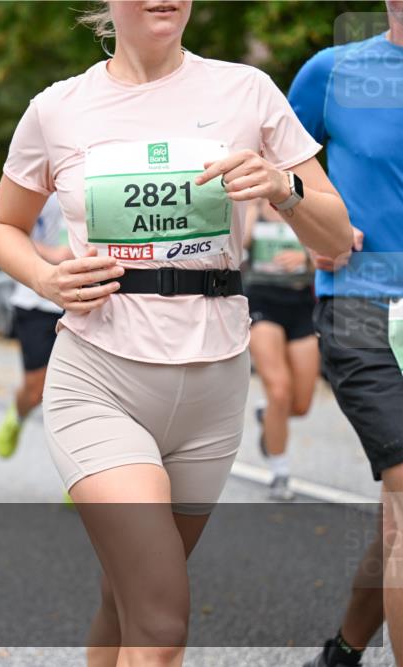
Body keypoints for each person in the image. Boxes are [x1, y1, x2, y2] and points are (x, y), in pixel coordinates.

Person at [0, 2, 352, 663]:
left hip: (213, 386)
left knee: (124, 597)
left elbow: (335, 237)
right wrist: (46, 279)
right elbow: (2, 227)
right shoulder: (57, 108)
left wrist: (284, 185)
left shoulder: (247, 91)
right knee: (159, 620)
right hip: (99, 375)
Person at [287, 3, 403, 665]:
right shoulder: (332, 73)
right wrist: (314, 221)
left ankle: (344, 651)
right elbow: (282, 165)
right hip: (364, 304)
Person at [244, 198, 319, 501]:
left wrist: (303, 256)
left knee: (300, 405)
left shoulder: (303, 206)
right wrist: (252, 205)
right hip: (261, 301)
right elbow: (240, 244)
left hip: (301, 303)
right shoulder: (253, 206)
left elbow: (329, 253)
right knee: (279, 391)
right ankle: (280, 473)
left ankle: (268, 415)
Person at [0, 194, 71, 459]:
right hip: (37, 301)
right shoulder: (41, 181)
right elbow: (4, 232)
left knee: (82, 392)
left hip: (87, 297)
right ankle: (17, 416)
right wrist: (54, 254)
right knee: (37, 390)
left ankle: (82, 471)